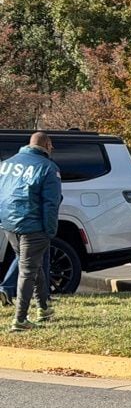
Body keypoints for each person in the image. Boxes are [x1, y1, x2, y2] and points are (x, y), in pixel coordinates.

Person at [0, 131, 61, 331]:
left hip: (9, 223)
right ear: (47, 144)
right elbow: (51, 204)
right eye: (51, 146)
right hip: (32, 225)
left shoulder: (8, 163)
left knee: (33, 266)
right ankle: (20, 320)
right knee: (27, 271)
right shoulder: (48, 168)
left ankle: (43, 308)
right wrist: (50, 231)